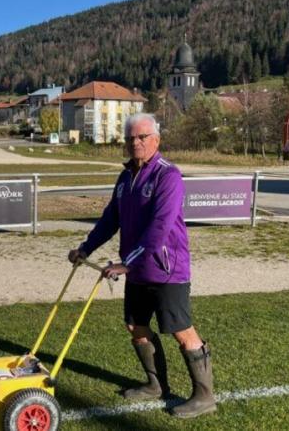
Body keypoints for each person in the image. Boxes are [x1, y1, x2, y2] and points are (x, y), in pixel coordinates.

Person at [68, 113, 216, 418]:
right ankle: (155, 384)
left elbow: (159, 227)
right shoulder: (125, 178)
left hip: (166, 269)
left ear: (156, 140)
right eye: (130, 138)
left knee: (181, 330)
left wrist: (127, 264)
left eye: (142, 137)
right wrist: (86, 248)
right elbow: (111, 219)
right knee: (135, 326)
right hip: (136, 269)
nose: (135, 143)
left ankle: (205, 396)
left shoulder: (168, 176)